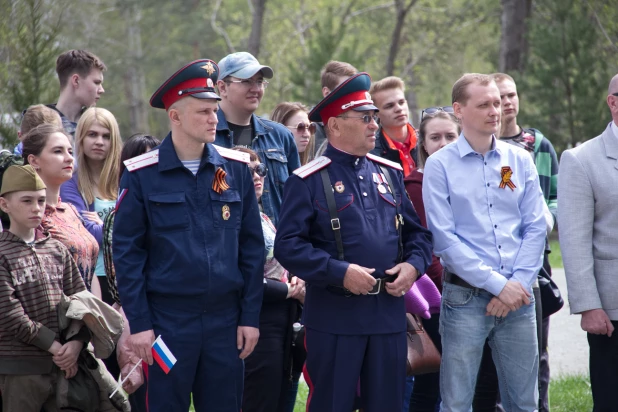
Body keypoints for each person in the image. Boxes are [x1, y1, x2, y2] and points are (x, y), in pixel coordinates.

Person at [274, 73, 433, 412]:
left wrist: (413, 267)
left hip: (387, 317)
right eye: (364, 118)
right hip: (335, 319)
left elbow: (418, 235)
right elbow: (288, 246)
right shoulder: (308, 181)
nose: (374, 124)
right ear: (334, 125)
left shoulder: (388, 172)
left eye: (374, 116)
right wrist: (339, 271)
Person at [112, 59, 265, 412]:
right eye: (204, 112)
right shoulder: (141, 175)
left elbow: (252, 250)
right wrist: (140, 323)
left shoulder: (236, 170)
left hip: (225, 324)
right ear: (175, 117)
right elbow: (128, 254)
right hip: (168, 325)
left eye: (215, 110)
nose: (214, 118)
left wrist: (249, 317)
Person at [422, 73, 546, 411]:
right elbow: (445, 241)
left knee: (524, 402)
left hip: (519, 299)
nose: (496, 110)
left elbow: (535, 226)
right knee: (457, 402)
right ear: (459, 110)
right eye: (485, 104)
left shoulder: (519, 159)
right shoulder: (439, 166)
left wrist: (515, 285)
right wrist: (498, 285)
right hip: (465, 299)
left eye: (497, 103)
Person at [472, 73, 561, 412]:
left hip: (534, 262)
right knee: (491, 355)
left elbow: (553, 199)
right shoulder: (482, 148)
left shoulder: (537, 146)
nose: (506, 103)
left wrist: (538, 225)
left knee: (534, 349)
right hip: (493, 263)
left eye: (510, 96)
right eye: (498, 98)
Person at [0, 164, 86, 411]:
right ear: (4, 205)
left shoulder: (57, 249)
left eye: (40, 200)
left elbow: (82, 301)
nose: (36, 208)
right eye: (27, 201)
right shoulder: (2, 253)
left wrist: (76, 343)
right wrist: (55, 346)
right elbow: (10, 315)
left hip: (64, 366)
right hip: (20, 369)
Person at [558, 73, 618, 411]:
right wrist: (588, 305)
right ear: (613, 102)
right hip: (611, 309)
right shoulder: (581, 159)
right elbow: (574, 240)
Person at [232, 146, 305, 412]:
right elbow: (240, 279)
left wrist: (297, 279)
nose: (256, 175)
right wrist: (289, 290)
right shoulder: (231, 221)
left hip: (283, 320)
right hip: (256, 323)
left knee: (281, 398)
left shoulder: (262, 217)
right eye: (246, 170)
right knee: (259, 401)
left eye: (259, 169)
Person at [404, 108, 460, 411]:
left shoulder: (470, 176)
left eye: (450, 136)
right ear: (423, 144)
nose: (443, 143)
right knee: (431, 384)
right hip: (438, 298)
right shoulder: (416, 185)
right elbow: (427, 248)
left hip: (477, 289)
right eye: (435, 137)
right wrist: (451, 289)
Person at [102, 133, 161, 412]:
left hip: (171, 313)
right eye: (141, 159)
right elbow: (119, 275)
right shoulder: (120, 212)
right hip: (136, 313)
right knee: (143, 393)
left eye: (155, 159)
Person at [214, 51, 300, 225]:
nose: (256, 89)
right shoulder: (205, 137)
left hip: (277, 247)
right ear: (222, 87)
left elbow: (299, 201)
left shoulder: (280, 136)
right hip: (225, 245)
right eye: (246, 81)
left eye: (259, 82)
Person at [22, 123, 99, 294]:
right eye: (58, 151)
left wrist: (96, 313)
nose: (69, 158)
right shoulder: (31, 216)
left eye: (70, 152)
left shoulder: (70, 210)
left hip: (89, 312)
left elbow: (91, 272)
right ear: (34, 161)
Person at [60, 107, 122, 305]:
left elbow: (139, 230)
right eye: (92, 134)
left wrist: (102, 224)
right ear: (81, 138)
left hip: (127, 275)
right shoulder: (70, 183)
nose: (99, 142)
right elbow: (85, 234)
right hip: (92, 279)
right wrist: (115, 225)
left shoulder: (126, 178)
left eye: (106, 136)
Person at [369, 76, 419, 176]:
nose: (399, 109)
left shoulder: (427, 142)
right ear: (376, 113)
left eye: (401, 102)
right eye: (389, 106)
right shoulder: (371, 153)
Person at [50, 49, 106, 137]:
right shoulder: (40, 127)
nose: (102, 90)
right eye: (96, 82)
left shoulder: (98, 127)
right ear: (76, 81)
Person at [313, 61, 359, 156]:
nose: (350, 97)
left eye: (353, 91)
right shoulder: (310, 130)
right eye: (344, 90)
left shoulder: (364, 122)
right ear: (326, 93)